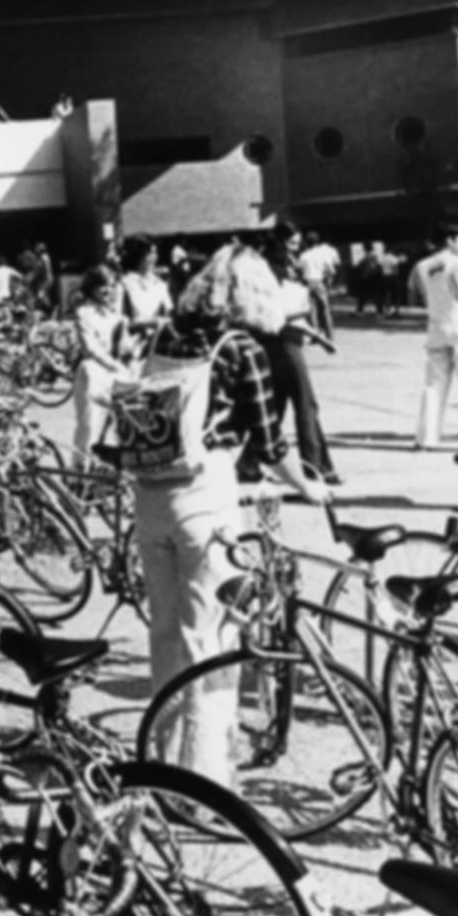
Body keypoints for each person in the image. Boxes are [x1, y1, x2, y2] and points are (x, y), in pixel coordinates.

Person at [121, 250, 330, 783]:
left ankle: (160, 764)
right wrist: (309, 485)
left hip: (150, 497)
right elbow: (270, 442)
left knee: (166, 636)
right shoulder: (239, 349)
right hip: (206, 502)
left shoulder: (164, 335)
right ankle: (206, 781)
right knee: (211, 643)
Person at [262, 226, 341, 485]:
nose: (296, 248)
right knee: (305, 404)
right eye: (292, 243)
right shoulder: (270, 270)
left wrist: (319, 337)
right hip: (282, 340)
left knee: (276, 404)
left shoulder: (286, 265)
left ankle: (250, 460)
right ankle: (315, 465)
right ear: (281, 242)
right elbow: (278, 312)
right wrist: (304, 318)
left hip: (290, 337)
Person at [408, 224, 458, 451]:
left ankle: (426, 438)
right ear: (450, 240)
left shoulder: (422, 266)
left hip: (436, 325)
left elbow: (414, 295)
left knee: (433, 383)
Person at [70, 266, 125, 465]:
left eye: (111, 286)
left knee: (116, 424)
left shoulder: (116, 315)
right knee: (89, 425)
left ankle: (105, 471)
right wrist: (115, 365)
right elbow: (90, 348)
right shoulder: (84, 313)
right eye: (102, 286)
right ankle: (80, 472)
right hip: (91, 371)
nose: (107, 291)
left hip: (114, 373)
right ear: (92, 288)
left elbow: (123, 345)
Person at [118, 234, 172, 351]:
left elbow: (168, 316)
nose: (154, 257)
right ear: (137, 255)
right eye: (149, 253)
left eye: (155, 253)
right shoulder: (124, 285)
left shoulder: (160, 285)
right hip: (133, 347)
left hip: (160, 345)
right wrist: (148, 324)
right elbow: (118, 325)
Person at [297, 231, 340, 342]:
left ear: (306, 242)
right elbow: (331, 270)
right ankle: (330, 335)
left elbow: (299, 270)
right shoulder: (323, 255)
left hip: (307, 282)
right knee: (325, 310)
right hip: (319, 282)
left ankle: (316, 336)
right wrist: (328, 280)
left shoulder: (303, 255)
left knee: (312, 311)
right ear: (317, 242)